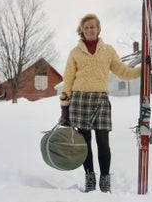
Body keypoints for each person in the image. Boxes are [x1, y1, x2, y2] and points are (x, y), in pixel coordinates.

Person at [59, 14, 141, 193]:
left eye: (92, 27)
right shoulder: (75, 52)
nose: (89, 30)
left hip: (101, 100)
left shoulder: (108, 50)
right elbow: (68, 80)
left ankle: (104, 180)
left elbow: (123, 72)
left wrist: (142, 70)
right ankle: (90, 179)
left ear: (98, 28)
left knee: (103, 143)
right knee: (85, 144)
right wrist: (64, 107)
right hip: (80, 100)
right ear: (82, 30)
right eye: (86, 27)